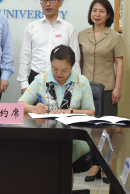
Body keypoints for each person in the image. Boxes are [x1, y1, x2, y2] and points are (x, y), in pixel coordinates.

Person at [19, 45, 95, 177]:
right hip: (46, 136)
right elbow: (20, 104)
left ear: (72, 67)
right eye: (55, 68)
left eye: (64, 70)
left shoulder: (81, 81)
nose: (59, 73)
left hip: (73, 138)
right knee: (46, 156)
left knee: (60, 157)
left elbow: (90, 112)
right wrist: (35, 108)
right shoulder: (41, 79)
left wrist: (71, 111)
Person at [77, 0, 124, 182]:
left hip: (107, 87)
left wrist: (117, 87)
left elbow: (119, 63)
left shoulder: (115, 36)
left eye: (101, 11)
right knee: (92, 128)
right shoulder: (82, 34)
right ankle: (95, 164)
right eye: (94, 10)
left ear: (109, 14)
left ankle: (105, 165)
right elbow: (79, 61)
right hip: (87, 88)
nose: (97, 14)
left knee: (107, 128)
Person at [18, 0, 80, 95]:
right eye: (44, 1)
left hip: (61, 81)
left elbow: (75, 60)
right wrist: (24, 84)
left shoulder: (69, 29)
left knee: (60, 107)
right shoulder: (31, 27)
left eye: (51, 0)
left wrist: (75, 85)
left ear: (60, 2)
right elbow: (25, 58)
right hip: (35, 79)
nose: (47, 4)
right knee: (33, 107)